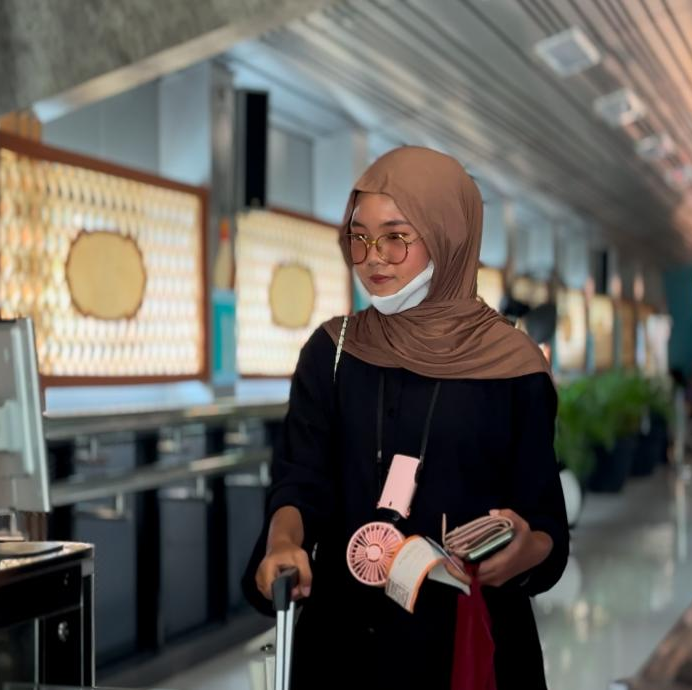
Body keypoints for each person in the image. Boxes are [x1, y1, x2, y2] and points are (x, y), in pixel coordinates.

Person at [244, 147, 569, 688]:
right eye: (360, 236)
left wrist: (522, 548)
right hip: (347, 645)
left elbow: (545, 521)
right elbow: (299, 481)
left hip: (468, 644)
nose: (374, 257)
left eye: (397, 236)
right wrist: (283, 542)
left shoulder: (514, 366)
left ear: (447, 233)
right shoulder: (333, 352)